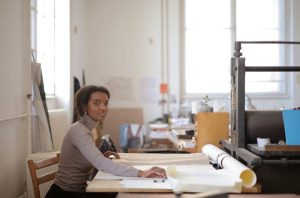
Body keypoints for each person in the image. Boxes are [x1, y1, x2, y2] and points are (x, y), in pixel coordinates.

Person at [46, 85, 166, 198]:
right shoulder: (79, 130)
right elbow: (100, 163)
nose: (103, 108)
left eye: (106, 103)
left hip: (79, 190)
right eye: (97, 103)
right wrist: (141, 173)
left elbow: (90, 160)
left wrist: (101, 156)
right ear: (84, 106)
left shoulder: (86, 128)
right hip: (65, 194)